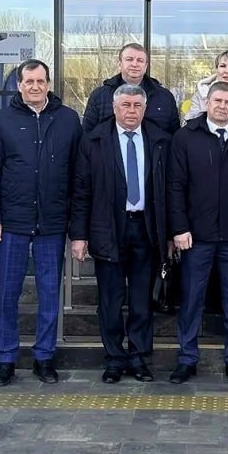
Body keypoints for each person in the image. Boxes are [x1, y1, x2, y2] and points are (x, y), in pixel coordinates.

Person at [0, 59, 82, 387]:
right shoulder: (3, 120)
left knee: (50, 294)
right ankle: (5, 358)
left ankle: (44, 357)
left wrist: (76, 226)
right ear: (19, 85)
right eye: (29, 81)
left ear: (48, 84)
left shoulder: (68, 119)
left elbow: (78, 176)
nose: (35, 86)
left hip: (52, 224)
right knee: (7, 294)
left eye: (40, 81)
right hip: (12, 223)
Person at [71, 85, 171, 384]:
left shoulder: (159, 140)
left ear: (145, 109)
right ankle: (114, 358)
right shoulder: (94, 140)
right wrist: (79, 236)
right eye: (125, 105)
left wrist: (169, 233)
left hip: (146, 229)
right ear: (114, 108)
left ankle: (139, 357)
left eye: (137, 105)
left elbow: (170, 190)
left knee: (142, 300)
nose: (131, 111)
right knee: (110, 300)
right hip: (108, 228)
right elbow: (81, 190)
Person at [167, 81, 228, 385]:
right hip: (196, 236)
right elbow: (175, 186)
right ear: (207, 102)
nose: (222, 106)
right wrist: (179, 228)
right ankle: (186, 359)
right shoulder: (185, 137)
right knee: (191, 299)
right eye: (217, 100)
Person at [82, 42, 181, 135]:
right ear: (120, 64)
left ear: (146, 66)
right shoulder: (100, 96)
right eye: (129, 59)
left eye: (140, 60)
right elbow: (87, 136)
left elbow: (174, 138)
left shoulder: (165, 97)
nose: (135, 64)